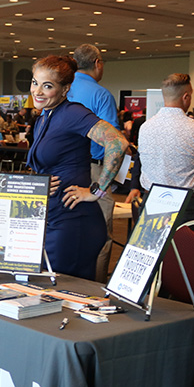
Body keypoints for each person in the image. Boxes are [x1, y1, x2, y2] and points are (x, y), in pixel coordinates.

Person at [26, 55, 128, 281]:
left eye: (47, 86)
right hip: (54, 217)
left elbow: (117, 143)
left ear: (65, 89)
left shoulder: (72, 113)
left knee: (60, 292)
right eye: (35, 82)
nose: (38, 91)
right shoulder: (45, 116)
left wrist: (96, 190)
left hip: (73, 221)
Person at [126, 73, 194, 223]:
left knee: (152, 246)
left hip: (151, 200)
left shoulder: (145, 128)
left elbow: (140, 162)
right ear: (186, 97)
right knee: (185, 246)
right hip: (186, 204)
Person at [68, 44, 121, 283]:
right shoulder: (102, 95)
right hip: (94, 170)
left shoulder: (63, 89)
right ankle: (96, 285)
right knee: (100, 233)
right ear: (98, 63)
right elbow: (113, 142)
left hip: (64, 170)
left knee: (68, 226)